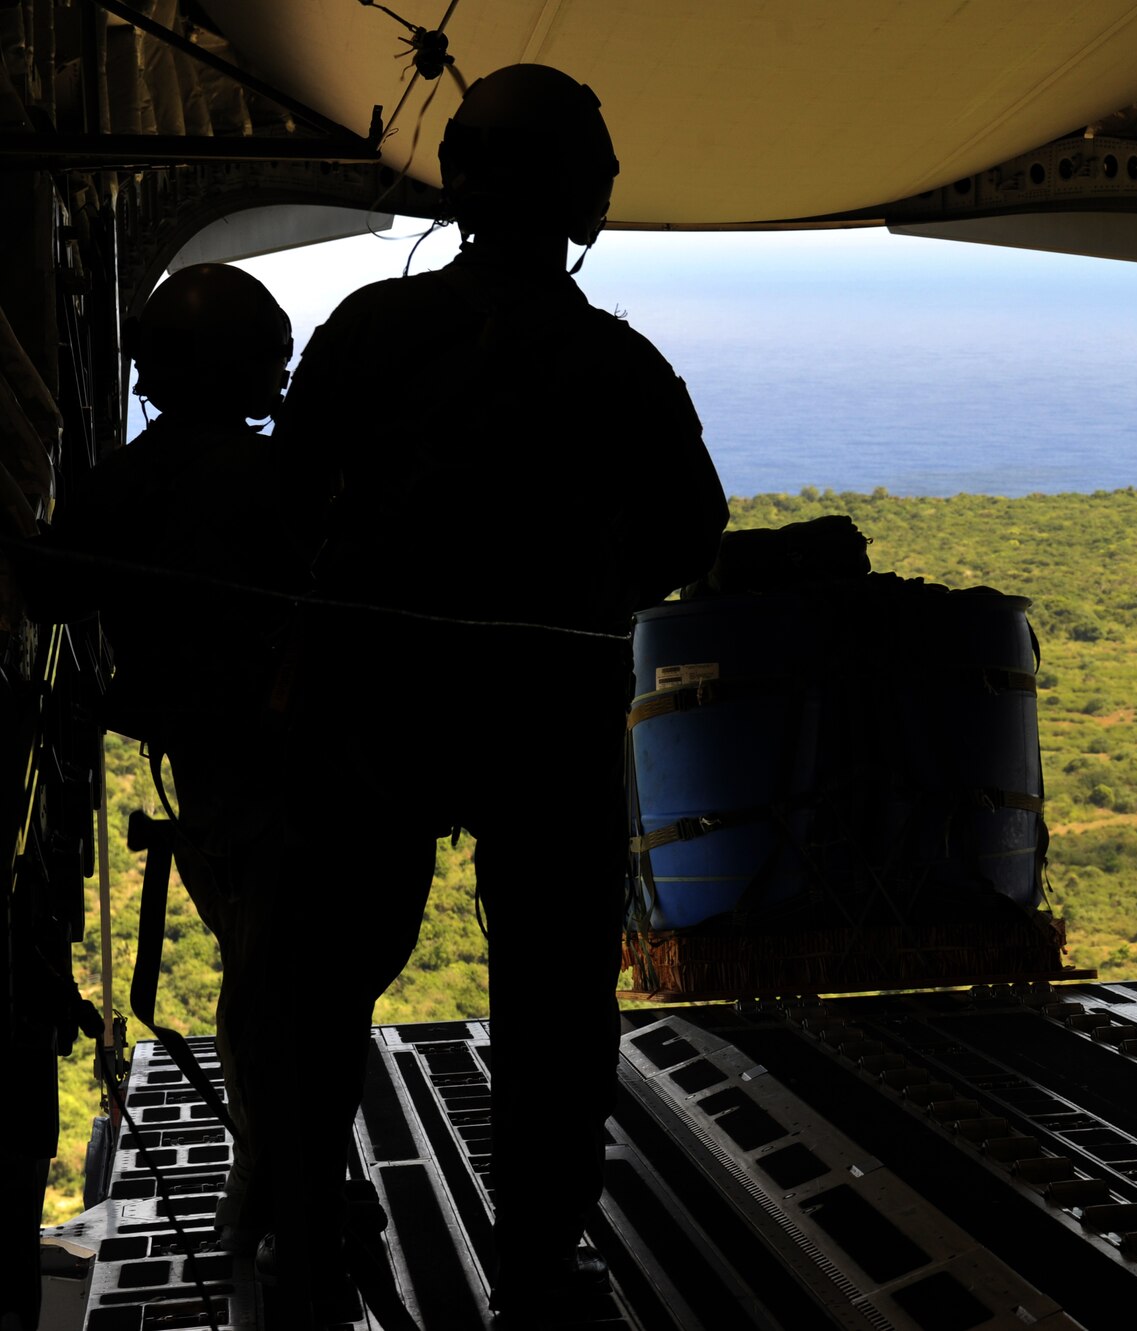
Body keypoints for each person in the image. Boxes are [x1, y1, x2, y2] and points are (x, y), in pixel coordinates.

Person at [275, 62, 727, 1320]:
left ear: (462, 180)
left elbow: (290, 504)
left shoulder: (366, 329)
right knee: (553, 1001)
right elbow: (688, 533)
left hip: (371, 712)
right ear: (586, 200)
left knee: (328, 982)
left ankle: (307, 1230)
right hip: (549, 715)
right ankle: (532, 1264)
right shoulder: (617, 362)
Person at [21, 262, 329, 1256]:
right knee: (294, 975)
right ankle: (283, 1191)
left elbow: (52, 596)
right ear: (238, 369)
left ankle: (267, 1186)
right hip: (300, 764)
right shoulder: (286, 478)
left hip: (204, 766)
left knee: (255, 961)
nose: (280, 379)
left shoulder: (125, 483)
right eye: (269, 362)